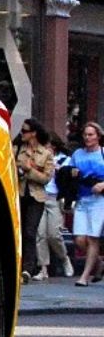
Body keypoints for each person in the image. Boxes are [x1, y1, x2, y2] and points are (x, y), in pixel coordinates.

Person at [15, 120, 54, 280]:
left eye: (25, 131)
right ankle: (17, 264)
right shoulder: (17, 149)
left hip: (36, 197)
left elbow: (46, 178)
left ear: (34, 133)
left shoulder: (46, 153)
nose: (22, 134)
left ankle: (28, 268)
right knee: (19, 231)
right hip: (19, 193)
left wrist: (30, 170)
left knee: (30, 231)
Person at [38, 132, 76, 279]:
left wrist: (58, 169)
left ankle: (64, 259)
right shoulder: (39, 158)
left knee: (54, 234)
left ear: (53, 146)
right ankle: (43, 268)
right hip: (40, 197)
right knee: (40, 234)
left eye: (46, 145)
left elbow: (69, 179)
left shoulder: (65, 159)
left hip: (55, 199)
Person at [72, 120, 104, 287]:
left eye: (91, 134)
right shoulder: (78, 154)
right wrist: (72, 172)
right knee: (79, 239)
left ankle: (84, 276)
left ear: (98, 136)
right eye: (85, 134)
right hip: (82, 198)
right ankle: (98, 262)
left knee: (93, 238)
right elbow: (68, 172)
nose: (87, 137)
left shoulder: (103, 153)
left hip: (99, 201)